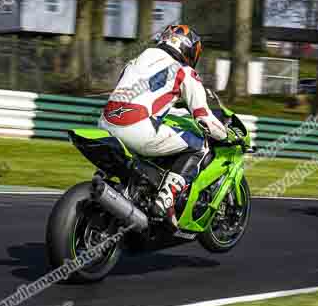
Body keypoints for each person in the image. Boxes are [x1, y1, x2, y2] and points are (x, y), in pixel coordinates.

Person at [98, 24, 242, 227]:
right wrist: (225, 135)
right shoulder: (184, 71)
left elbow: (145, 100)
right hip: (136, 130)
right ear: (189, 50)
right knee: (200, 144)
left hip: (106, 123)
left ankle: (120, 185)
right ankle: (166, 199)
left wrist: (178, 112)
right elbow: (202, 117)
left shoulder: (137, 60)